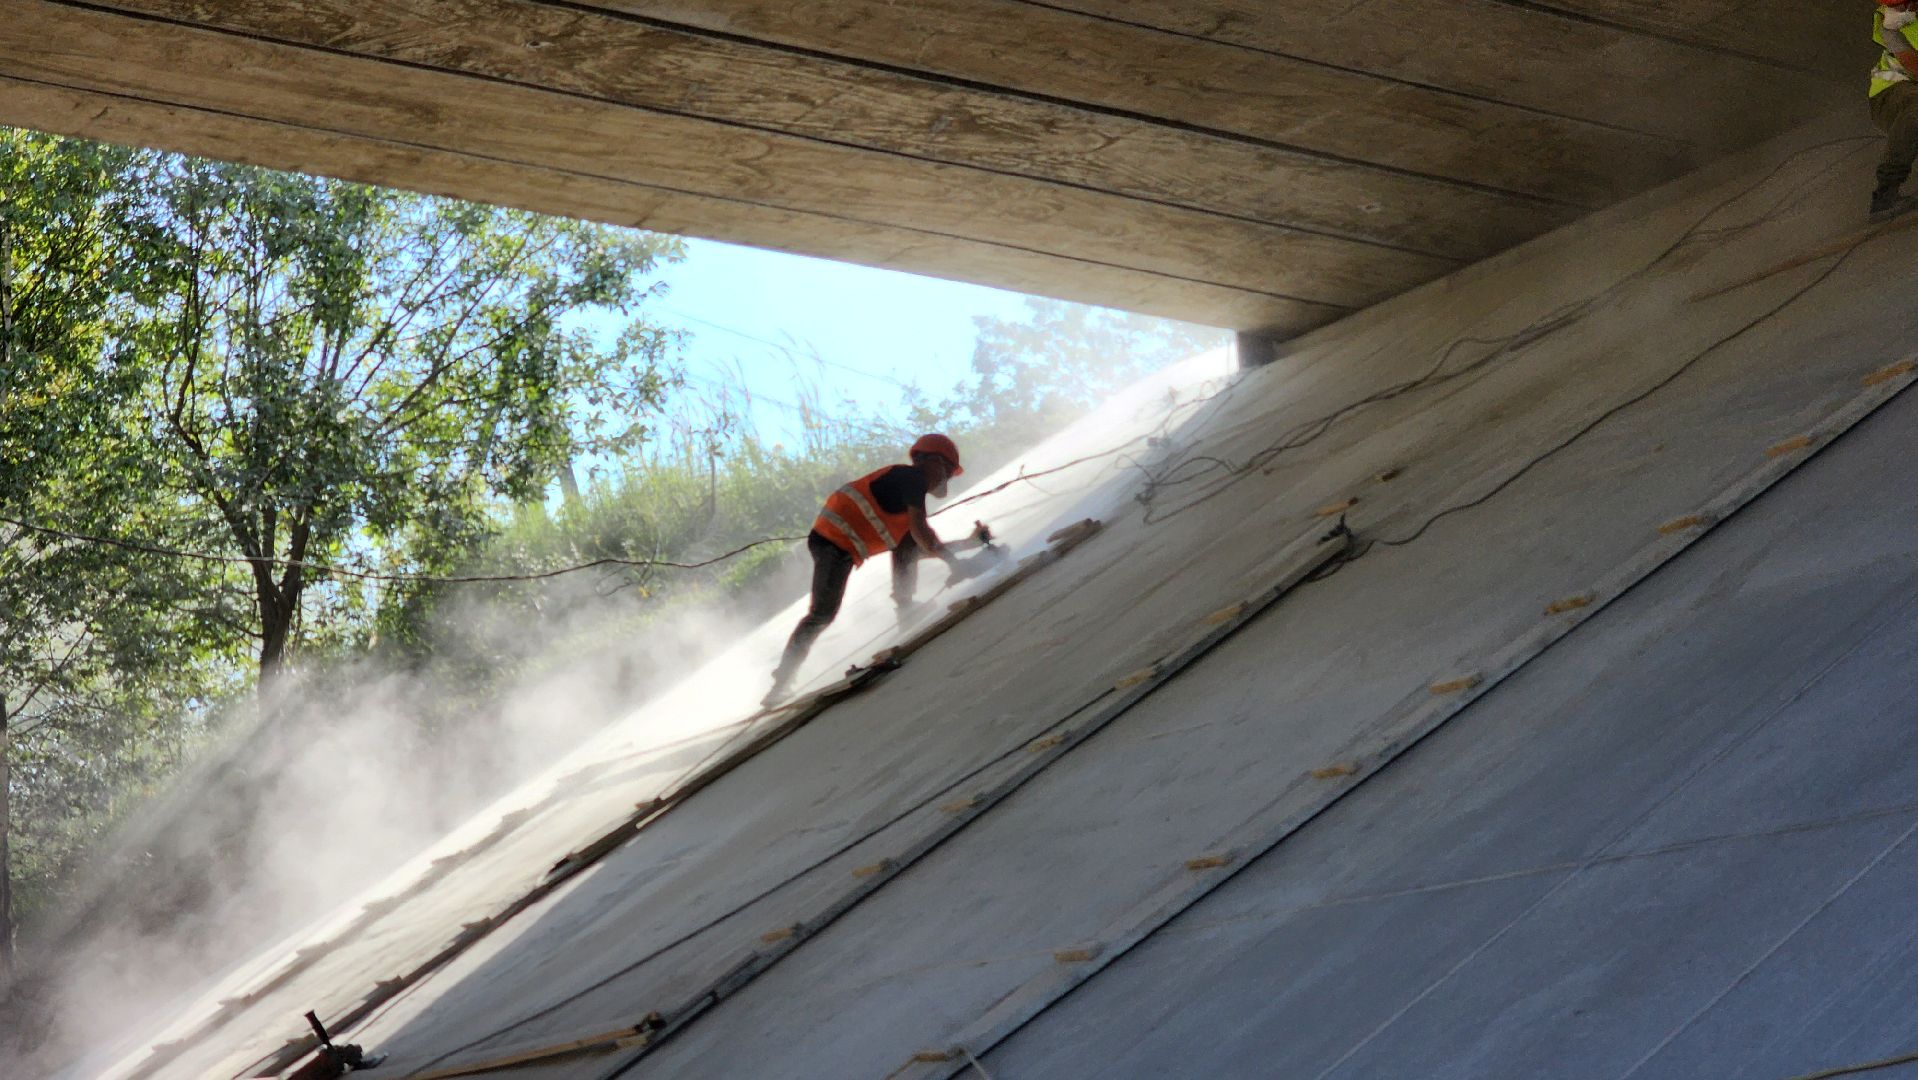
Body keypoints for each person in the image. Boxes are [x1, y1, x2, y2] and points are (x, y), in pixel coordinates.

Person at [765, 434, 982, 702]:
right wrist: (955, 564)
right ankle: (782, 681)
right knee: (821, 614)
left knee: (906, 547)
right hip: (832, 543)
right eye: (948, 471)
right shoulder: (911, 479)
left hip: (840, 546)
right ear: (935, 462)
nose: (946, 479)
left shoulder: (904, 498)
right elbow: (924, 533)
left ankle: (906, 607)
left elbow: (919, 548)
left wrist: (969, 545)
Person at [1871, 0, 1918, 220]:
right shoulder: (1890, 25)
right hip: (1890, 96)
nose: (1896, 10)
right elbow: (1914, 65)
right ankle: (1886, 194)